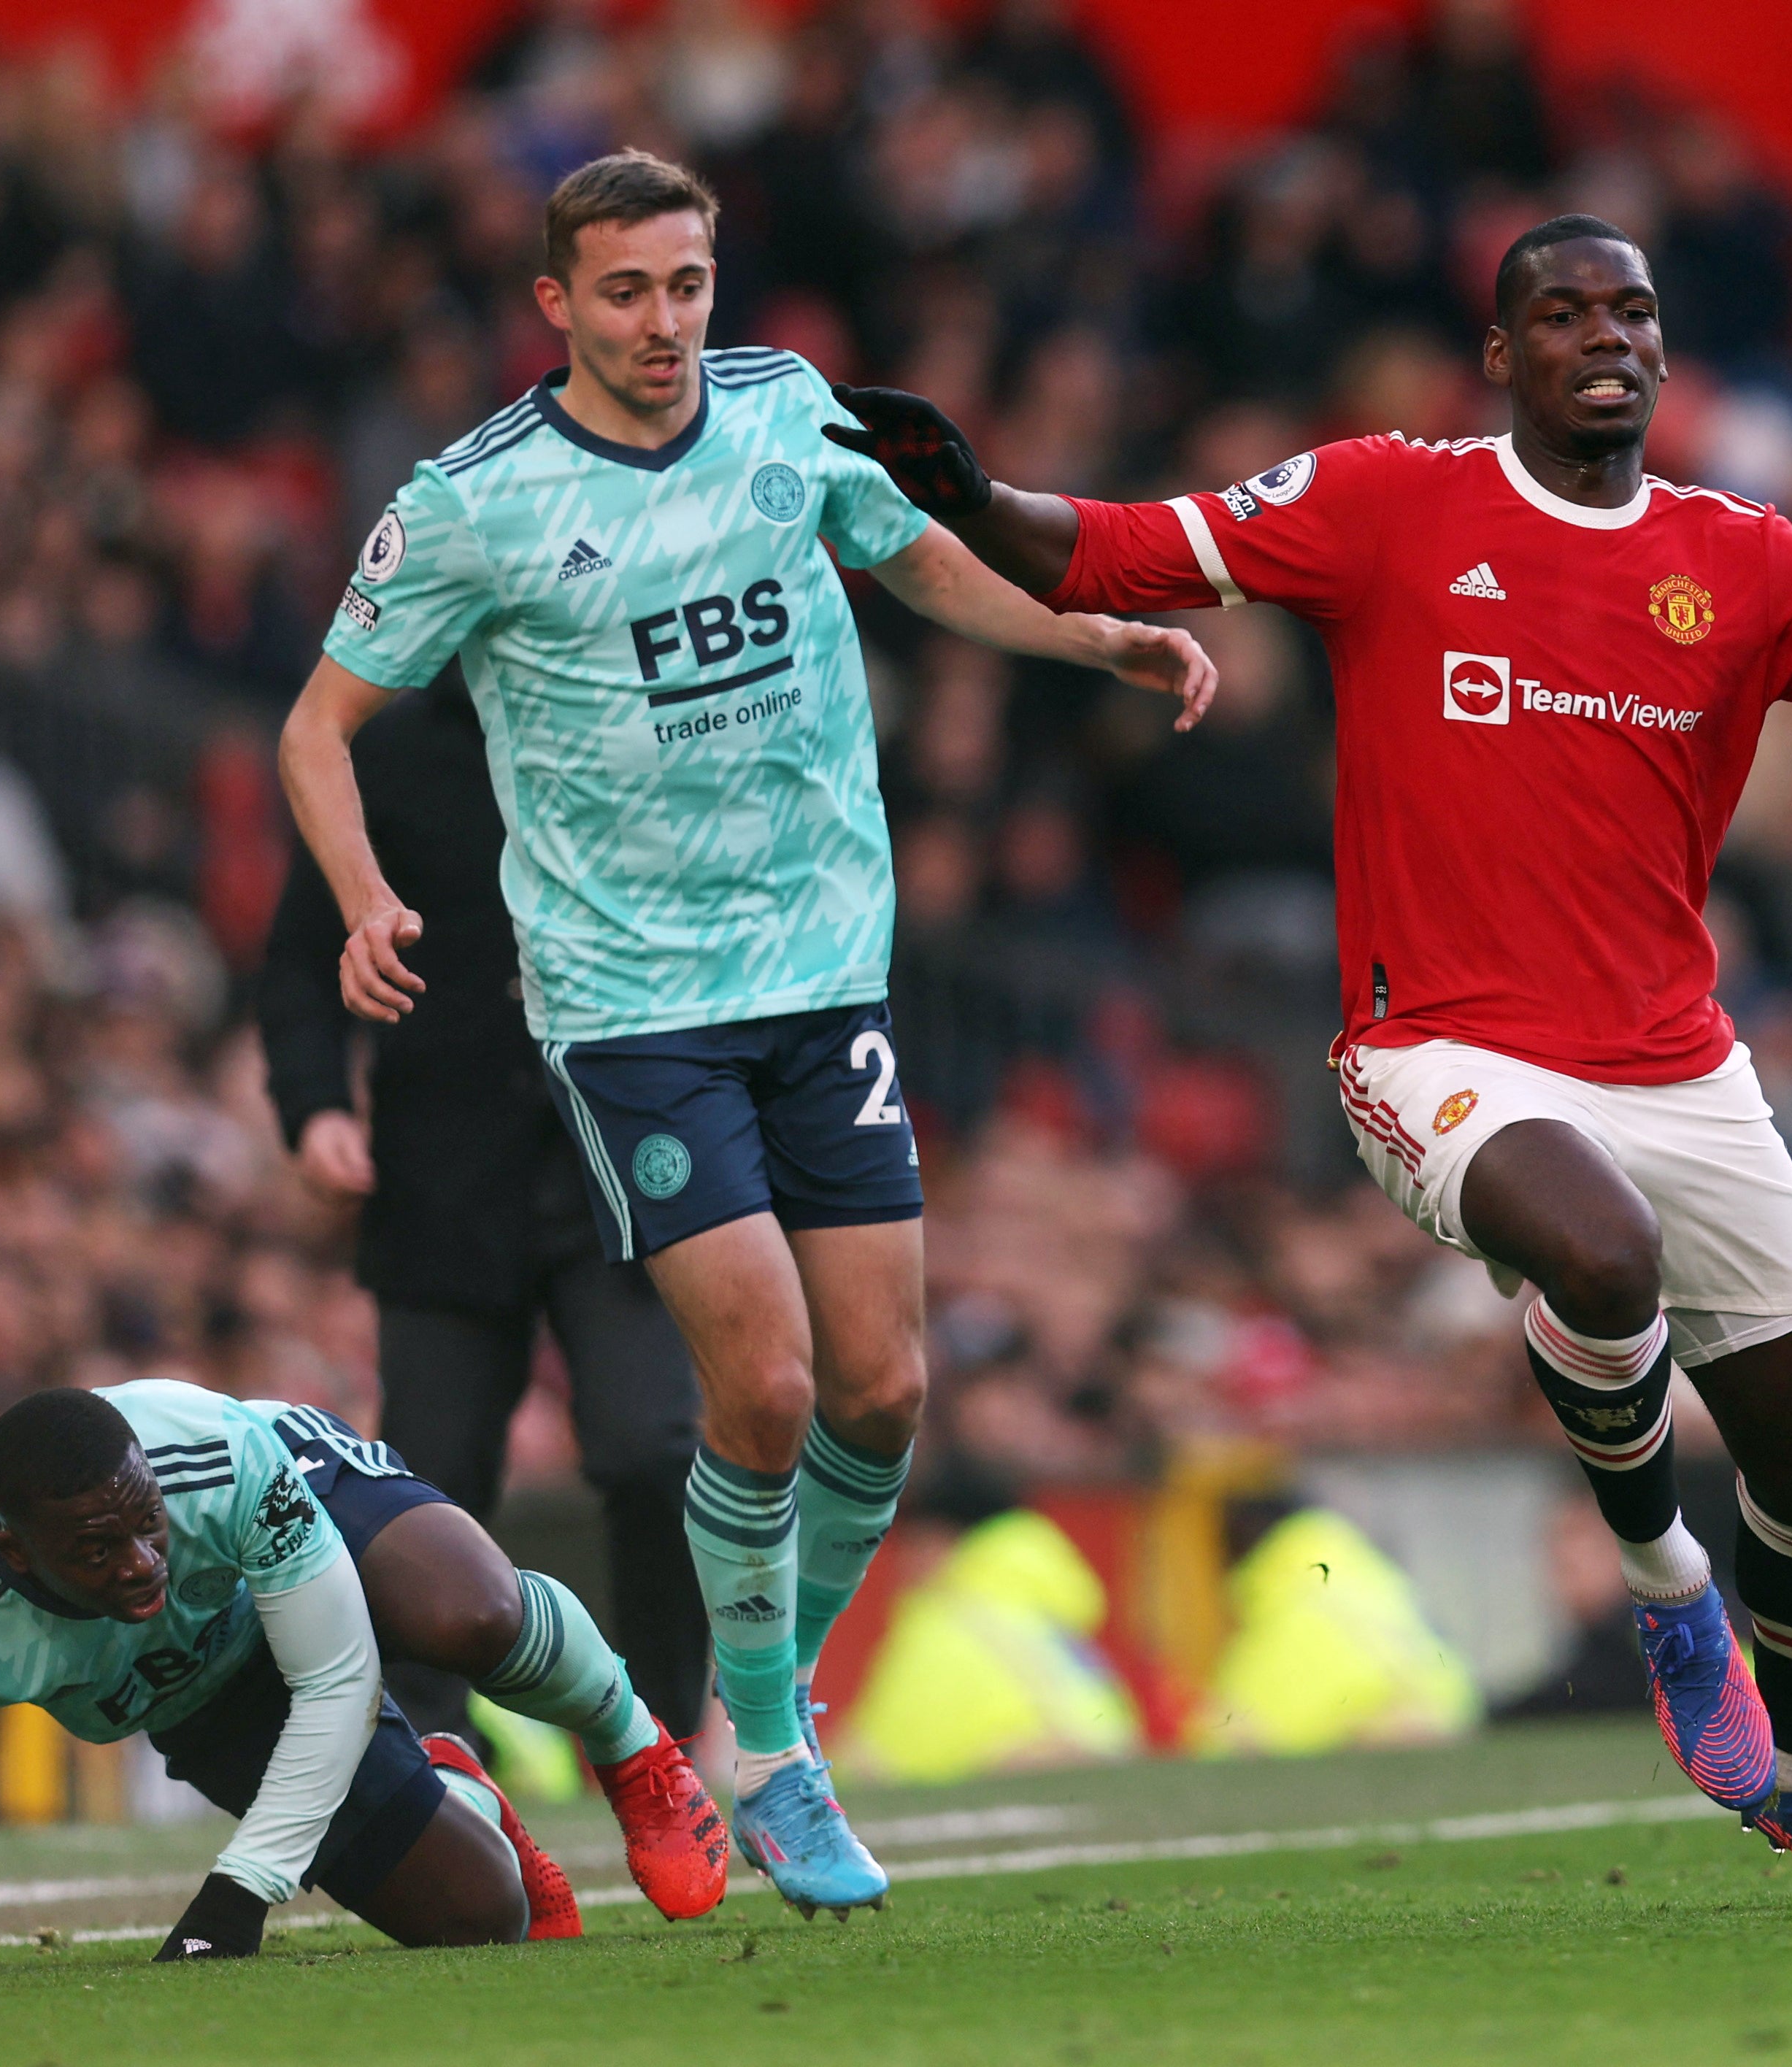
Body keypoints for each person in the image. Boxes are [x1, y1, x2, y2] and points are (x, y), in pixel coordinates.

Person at [827, 213, 1792, 1904]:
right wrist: (962, 492)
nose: (1602, 335)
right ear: (1500, 355)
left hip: (1676, 1056)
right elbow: (1104, 553)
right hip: (1440, 1044)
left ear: (1664, 352)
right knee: (1600, 1245)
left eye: (1629, 311)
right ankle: (1666, 1584)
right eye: (1560, 312)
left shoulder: (1742, 557)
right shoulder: (1389, 500)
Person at [275, 150, 1216, 1918]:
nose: (661, 324)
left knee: (884, 1384)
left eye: (687, 286)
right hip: (631, 1003)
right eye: (623, 292)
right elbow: (315, 730)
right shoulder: (470, 501)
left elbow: (926, 564)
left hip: (824, 971)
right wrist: (363, 896)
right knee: (766, 1383)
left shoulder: (789, 418)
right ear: (554, 302)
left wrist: (1088, 636)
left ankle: (762, 1716)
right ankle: (767, 1745)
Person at [0, 1381, 729, 1974]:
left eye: (147, 1523)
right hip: (207, 1689)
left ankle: (633, 1745)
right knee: (482, 1912)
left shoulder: (218, 1460)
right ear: (16, 1551)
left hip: (297, 1514)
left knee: (469, 1614)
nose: (141, 1563)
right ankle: (456, 1783)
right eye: (98, 1550)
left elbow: (336, 1677)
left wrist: (242, 1888)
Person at [260, 671, 711, 1742]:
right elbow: (294, 959)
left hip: (617, 1161)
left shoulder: (636, 738)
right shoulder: (383, 755)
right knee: (426, 1482)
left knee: (653, 1448)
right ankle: (423, 1753)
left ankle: (665, 1731)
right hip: (444, 1174)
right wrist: (315, 1107)